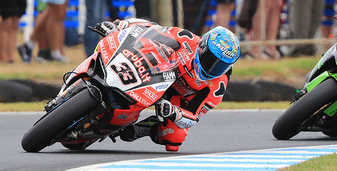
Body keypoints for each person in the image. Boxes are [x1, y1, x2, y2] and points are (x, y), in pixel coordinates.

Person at [89, 19, 240, 151]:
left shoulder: (216, 89)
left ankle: (138, 129)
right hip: (157, 71)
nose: (213, 68)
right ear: (202, 47)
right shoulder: (186, 39)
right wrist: (119, 26)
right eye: (210, 60)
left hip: (174, 98)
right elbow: (149, 28)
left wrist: (175, 113)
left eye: (221, 66)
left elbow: (193, 117)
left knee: (174, 139)